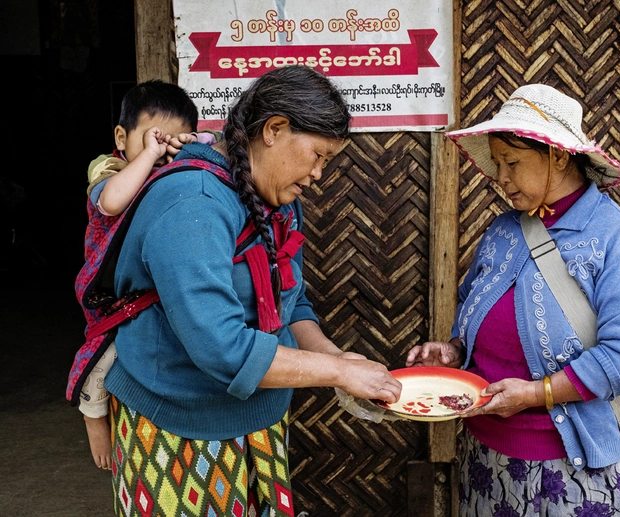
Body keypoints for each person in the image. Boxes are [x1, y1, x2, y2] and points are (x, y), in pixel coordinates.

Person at [101, 65, 402, 517]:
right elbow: (223, 349)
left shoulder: (279, 201)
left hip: (257, 423)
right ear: (274, 130)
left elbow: (291, 301)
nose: (319, 173)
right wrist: (335, 373)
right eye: (317, 155)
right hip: (176, 430)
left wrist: (336, 357)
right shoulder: (192, 203)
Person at [406, 84, 620, 516]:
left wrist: (534, 394)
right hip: (485, 460)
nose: (500, 177)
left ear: (558, 156)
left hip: (574, 469)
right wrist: (453, 350)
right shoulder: (504, 230)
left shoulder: (616, 236)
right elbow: (474, 305)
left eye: (512, 163)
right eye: (497, 164)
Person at [77, 79, 218, 471]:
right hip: (110, 289)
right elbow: (112, 202)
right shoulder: (109, 169)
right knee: (101, 359)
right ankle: (93, 416)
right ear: (121, 137)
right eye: (151, 138)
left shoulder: (180, 169)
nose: (160, 151)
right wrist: (152, 154)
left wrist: (188, 146)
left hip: (152, 284)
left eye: (171, 141)